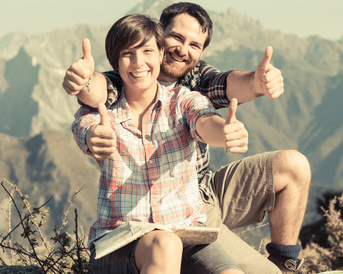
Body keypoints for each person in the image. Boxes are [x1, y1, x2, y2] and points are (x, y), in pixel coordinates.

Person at [64, 2, 311, 274]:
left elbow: (216, 101)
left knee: (293, 165)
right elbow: (96, 93)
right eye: (177, 38)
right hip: (134, 231)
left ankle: (284, 264)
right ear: (160, 35)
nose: (183, 50)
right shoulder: (120, 86)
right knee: (166, 244)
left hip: (197, 200)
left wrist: (255, 86)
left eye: (194, 45)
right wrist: (84, 84)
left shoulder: (191, 89)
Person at [72, 14, 248, 274]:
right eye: (127, 54)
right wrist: (93, 137)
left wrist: (225, 132)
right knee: (164, 244)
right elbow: (85, 129)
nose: (139, 62)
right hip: (121, 241)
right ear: (115, 61)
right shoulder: (103, 112)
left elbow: (205, 121)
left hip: (186, 235)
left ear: (161, 54)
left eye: (147, 51)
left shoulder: (184, 101)